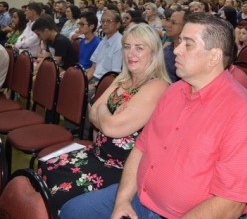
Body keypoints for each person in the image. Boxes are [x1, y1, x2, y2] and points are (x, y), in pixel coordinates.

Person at [60, 13, 247, 219]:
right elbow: (141, 149)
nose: (176, 49)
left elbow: (230, 204)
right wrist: (123, 201)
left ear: (214, 56)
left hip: (186, 214)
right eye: (179, 42)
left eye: (187, 44)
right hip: (141, 199)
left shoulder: (242, 112)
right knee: (73, 211)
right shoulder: (174, 92)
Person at [38, 23, 170, 209]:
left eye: (139, 48)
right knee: (45, 168)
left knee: (59, 192)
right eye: (127, 47)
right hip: (97, 154)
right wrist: (107, 116)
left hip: (121, 169)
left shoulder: (157, 86)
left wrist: (103, 116)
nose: (131, 53)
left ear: (154, 53)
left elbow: (110, 127)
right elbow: (92, 112)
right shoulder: (123, 78)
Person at [87, 10, 123, 99]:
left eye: (108, 21)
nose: (105, 24)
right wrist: (83, 82)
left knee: (82, 95)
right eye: (103, 21)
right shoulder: (103, 40)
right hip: (95, 79)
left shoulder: (119, 43)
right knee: (74, 87)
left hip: (106, 83)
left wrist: (96, 86)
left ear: (118, 24)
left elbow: (114, 76)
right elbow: (93, 67)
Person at [163, 10, 186, 82]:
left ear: (185, 26)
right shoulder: (166, 50)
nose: (168, 25)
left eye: (173, 22)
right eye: (169, 21)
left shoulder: (189, 54)